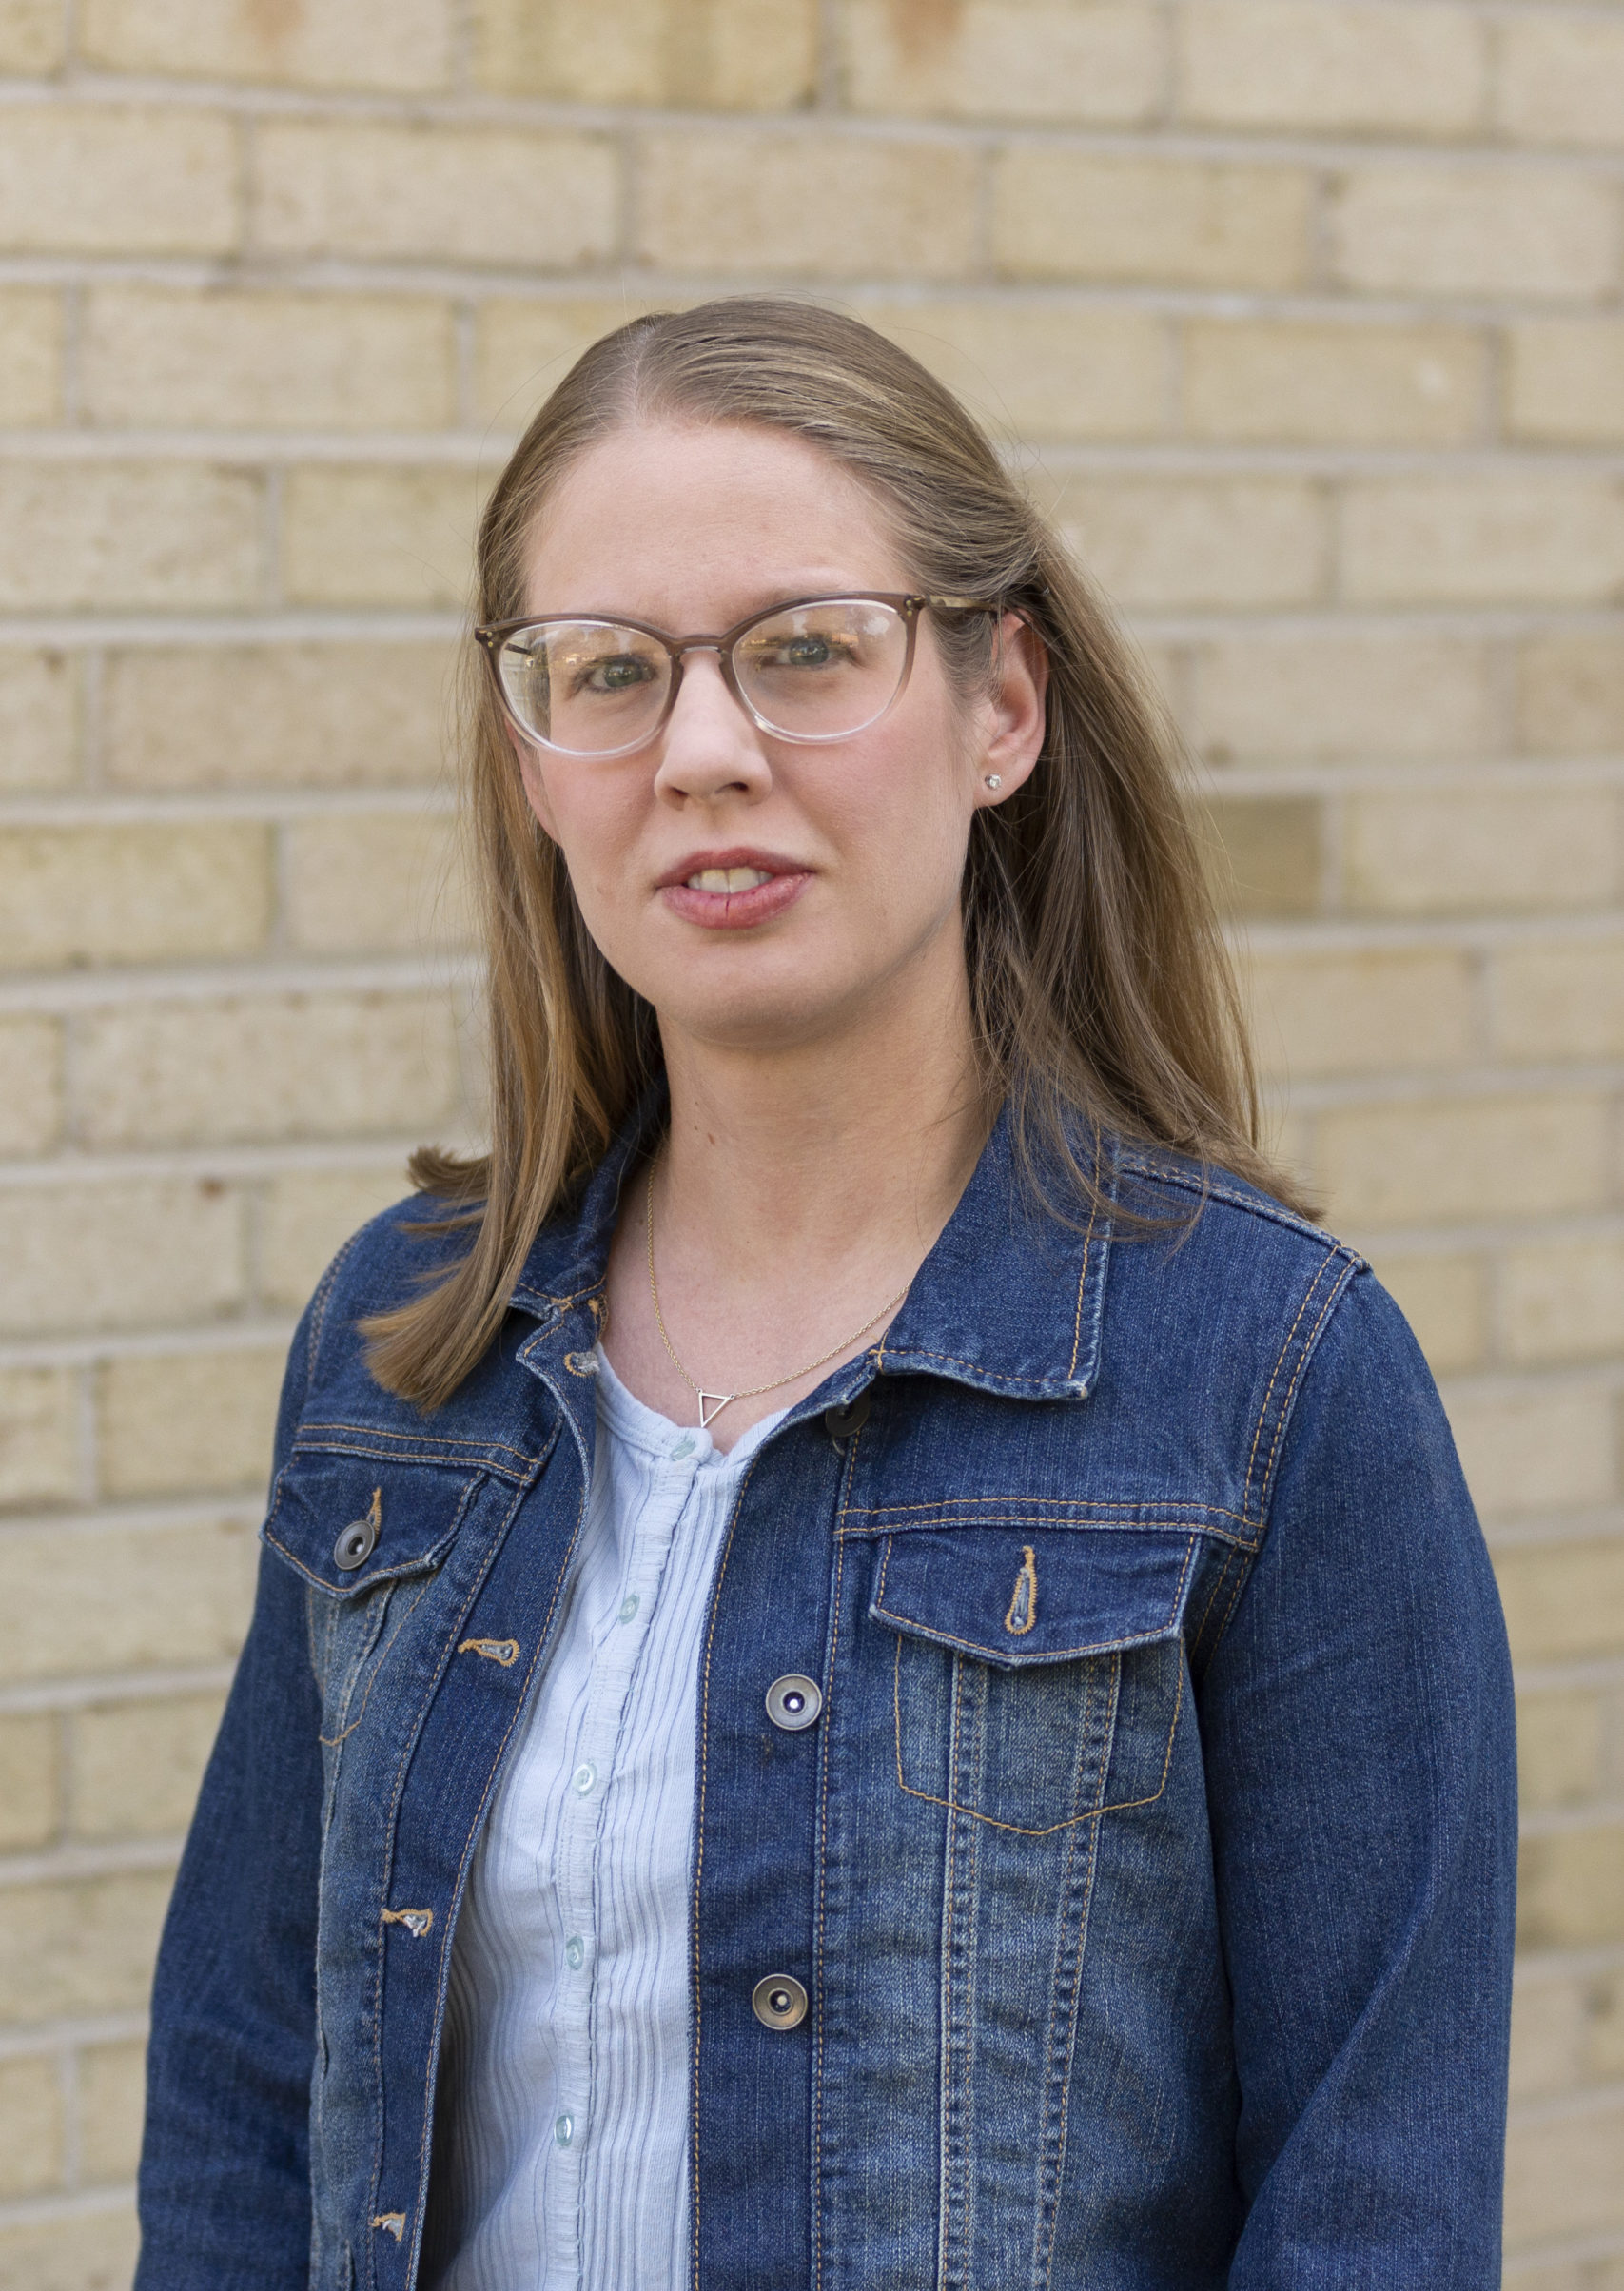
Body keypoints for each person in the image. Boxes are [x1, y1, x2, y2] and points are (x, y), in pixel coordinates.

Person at [135, 298, 1516, 2291]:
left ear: (997, 705)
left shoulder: (1264, 1376)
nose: (701, 753)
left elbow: (1369, 2207)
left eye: (802, 649)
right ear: (531, 760)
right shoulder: (402, 1349)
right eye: (603, 671)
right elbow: (246, 2100)